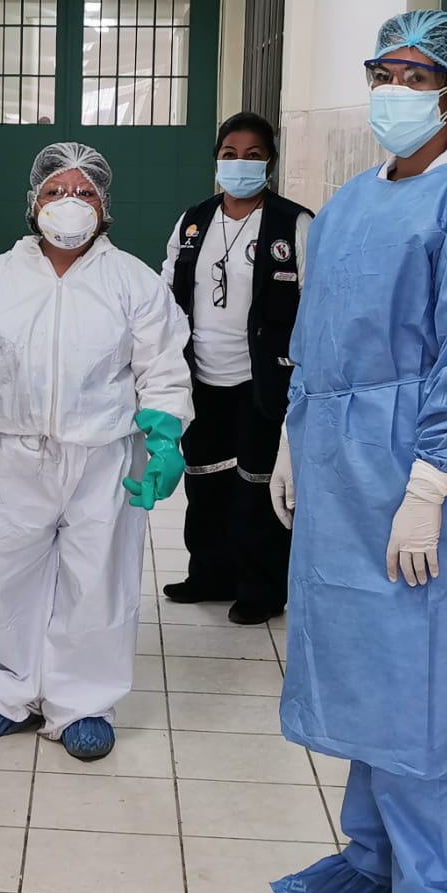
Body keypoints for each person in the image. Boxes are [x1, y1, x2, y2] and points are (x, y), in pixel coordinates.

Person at [267, 11, 447, 893]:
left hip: (436, 468)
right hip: (344, 463)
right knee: (366, 669)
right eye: (384, 72)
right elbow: (318, 335)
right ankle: (372, 857)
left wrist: (429, 486)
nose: (394, 90)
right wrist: (295, 436)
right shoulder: (352, 202)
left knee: (423, 683)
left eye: (417, 76)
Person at [0, 143, 192, 761]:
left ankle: (84, 701)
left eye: (83, 192)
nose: (69, 203)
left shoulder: (132, 281)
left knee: (97, 578)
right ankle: (1, 692)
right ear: (33, 203)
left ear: (104, 206)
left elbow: (162, 366)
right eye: (54, 192)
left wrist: (164, 439)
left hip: (104, 454)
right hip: (11, 449)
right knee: (8, 572)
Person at [159, 111, 311, 625]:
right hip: (201, 378)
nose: (240, 163)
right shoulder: (193, 220)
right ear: (216, 160)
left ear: (271, 162)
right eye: (230, 154)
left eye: (253, 155)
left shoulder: (295, 224)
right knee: (205, 482)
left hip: (263, 382)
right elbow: (167, 292)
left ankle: (261, 589)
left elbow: (316, 305)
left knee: (257, 487)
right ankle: (209, 574)